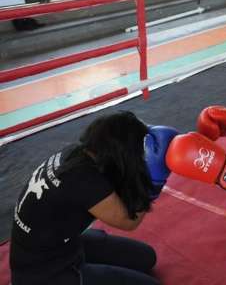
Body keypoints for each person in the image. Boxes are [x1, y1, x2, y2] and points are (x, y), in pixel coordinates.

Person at [10, 111, 179, 285]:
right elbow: (129, 221)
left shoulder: (78, 153)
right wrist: (155, 180)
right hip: (44, 273)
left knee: (146, 257)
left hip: (60, 246)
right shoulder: (87, 181)